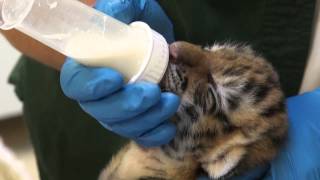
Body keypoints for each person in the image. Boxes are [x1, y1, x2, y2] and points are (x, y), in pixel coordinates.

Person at [1, 0, 319, 179]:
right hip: (74, 119)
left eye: (211, 92)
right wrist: (95, 38)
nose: (185, 50)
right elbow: (16, 8)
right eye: (220, 51)